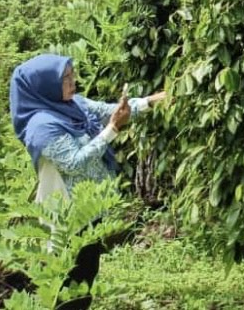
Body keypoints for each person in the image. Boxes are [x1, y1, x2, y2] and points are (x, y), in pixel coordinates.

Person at [9, 54, 166, 309]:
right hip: (67, 215)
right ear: (45, 86)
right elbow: (73, 162)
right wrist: (112, 130)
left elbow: (108, 111)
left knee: (87, 273)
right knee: (70, 279)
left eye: (72, 75)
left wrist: (151, 101)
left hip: (89, 208)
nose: (73, 82)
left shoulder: (73, 104)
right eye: (66, 78)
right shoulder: (42, 126)